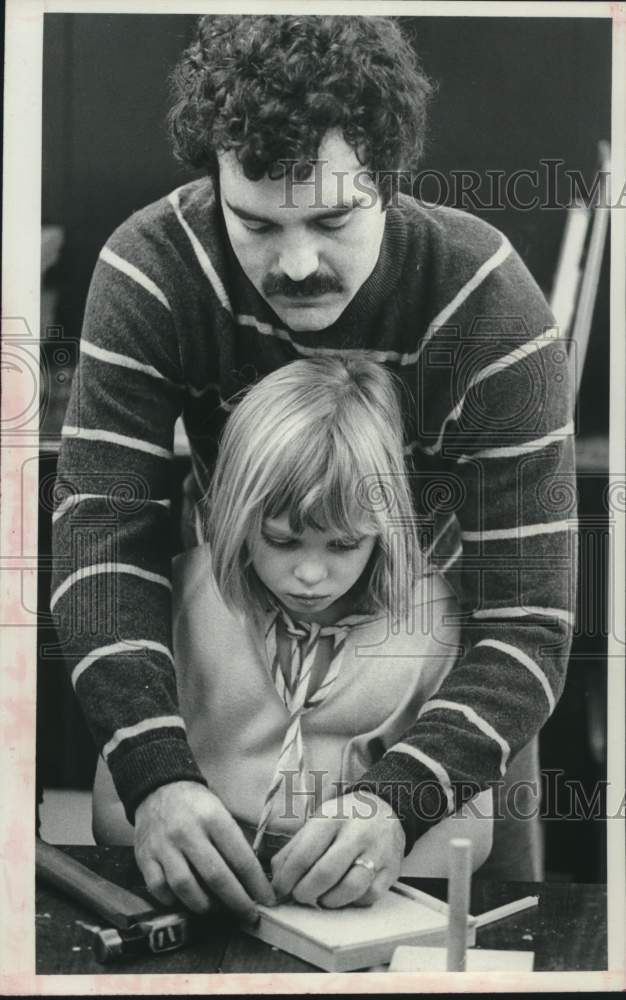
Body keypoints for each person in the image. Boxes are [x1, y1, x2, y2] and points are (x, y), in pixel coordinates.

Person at [51, 14, 576, 920]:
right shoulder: (151, 270)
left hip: (442, 673)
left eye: (334, 218)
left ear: (391, 178)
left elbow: (528, 618)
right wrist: (156, 774)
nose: (296, 264)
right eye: (254, 223)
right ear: (214, 179)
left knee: (478, 921)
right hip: (234, 644)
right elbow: (102, 537)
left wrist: (400, 798)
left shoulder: (490, 304)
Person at [91, 356, 494, 912]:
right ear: (235, 514)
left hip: (369, 917)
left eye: (344, 545)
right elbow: (116, 809)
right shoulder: (172, 601)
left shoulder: (437, 624)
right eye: (281, 541)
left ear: (385, 527)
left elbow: (471, 834)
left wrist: (364, 874)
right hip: (198, 911)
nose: (309, 575)